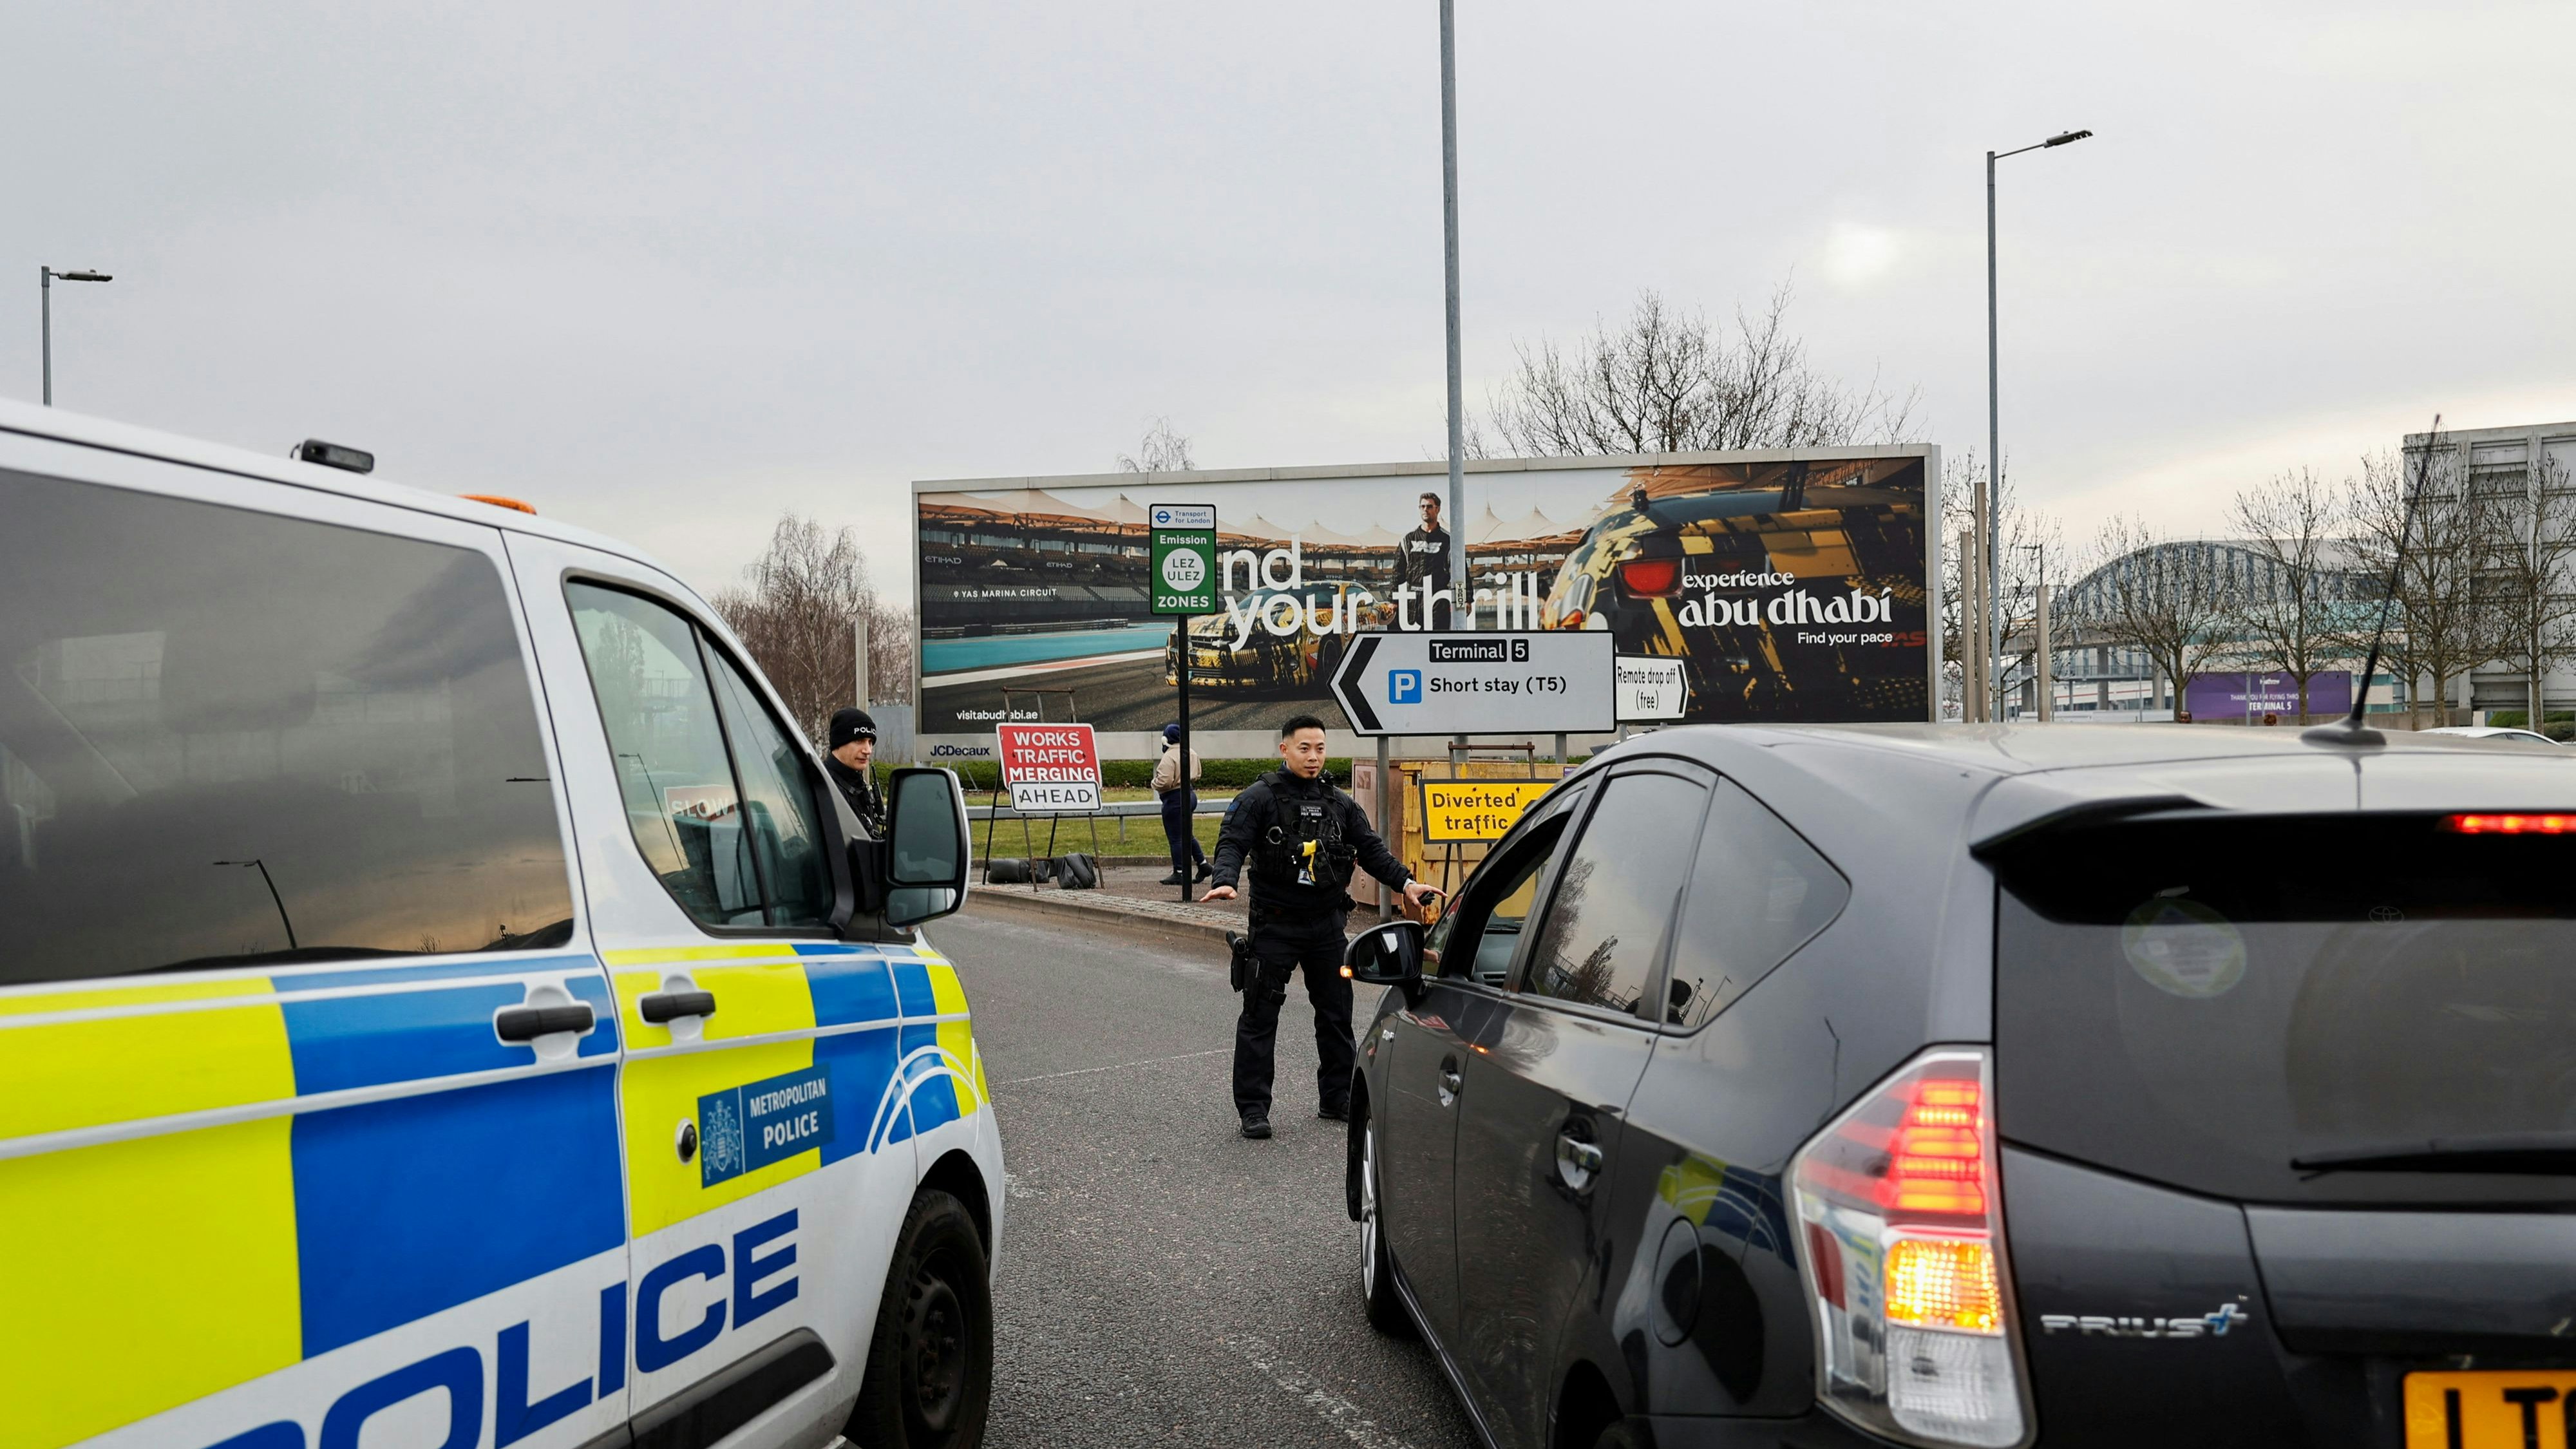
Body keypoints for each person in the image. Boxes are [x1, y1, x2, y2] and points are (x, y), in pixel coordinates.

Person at [1202, 714, 1438, 1139]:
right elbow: (1232, 842)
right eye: (1304, 748)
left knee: (1336, 1016)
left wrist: (1406, 882)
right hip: (1274, 926)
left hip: (1327, 926)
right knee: (1260, 1016)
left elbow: (1371, 850)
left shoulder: (1339, 803)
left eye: (1320, 749)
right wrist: (1224, 881)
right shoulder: (1259, 798)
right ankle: (1254, 1108)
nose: (1313, 757)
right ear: (1285, 750)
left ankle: (1337, 1098)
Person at [1152, 722, 1210, 886]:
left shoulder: (1169, 756)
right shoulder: (1190, 752)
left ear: (1166, 739)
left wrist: (1153, 783)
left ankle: (1179, 872)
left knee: (1176, 838)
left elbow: (1164, 781)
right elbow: (1197, 774)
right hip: (1189, 795)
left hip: (1174, 798)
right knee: (1187, 835)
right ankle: (1203, 864)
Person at [1394, 490, 1454, 630]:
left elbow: (1460, 571)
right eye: (1423, 507)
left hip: (1438, 599)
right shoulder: (1408, 539)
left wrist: (1466, 599)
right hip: (1413, 599)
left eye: (1429, 506)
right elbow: (1398, 571)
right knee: (1412, 644)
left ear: (1437, 509)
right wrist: (1393, 600)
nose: (1425, 510)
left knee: (1437, 643)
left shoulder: (1448, 540)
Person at [824, 707, 885, 835]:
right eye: (859, 741)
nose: (868, 750)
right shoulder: (825, 788)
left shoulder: (857, 786)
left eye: (870, 742)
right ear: (839, 743)